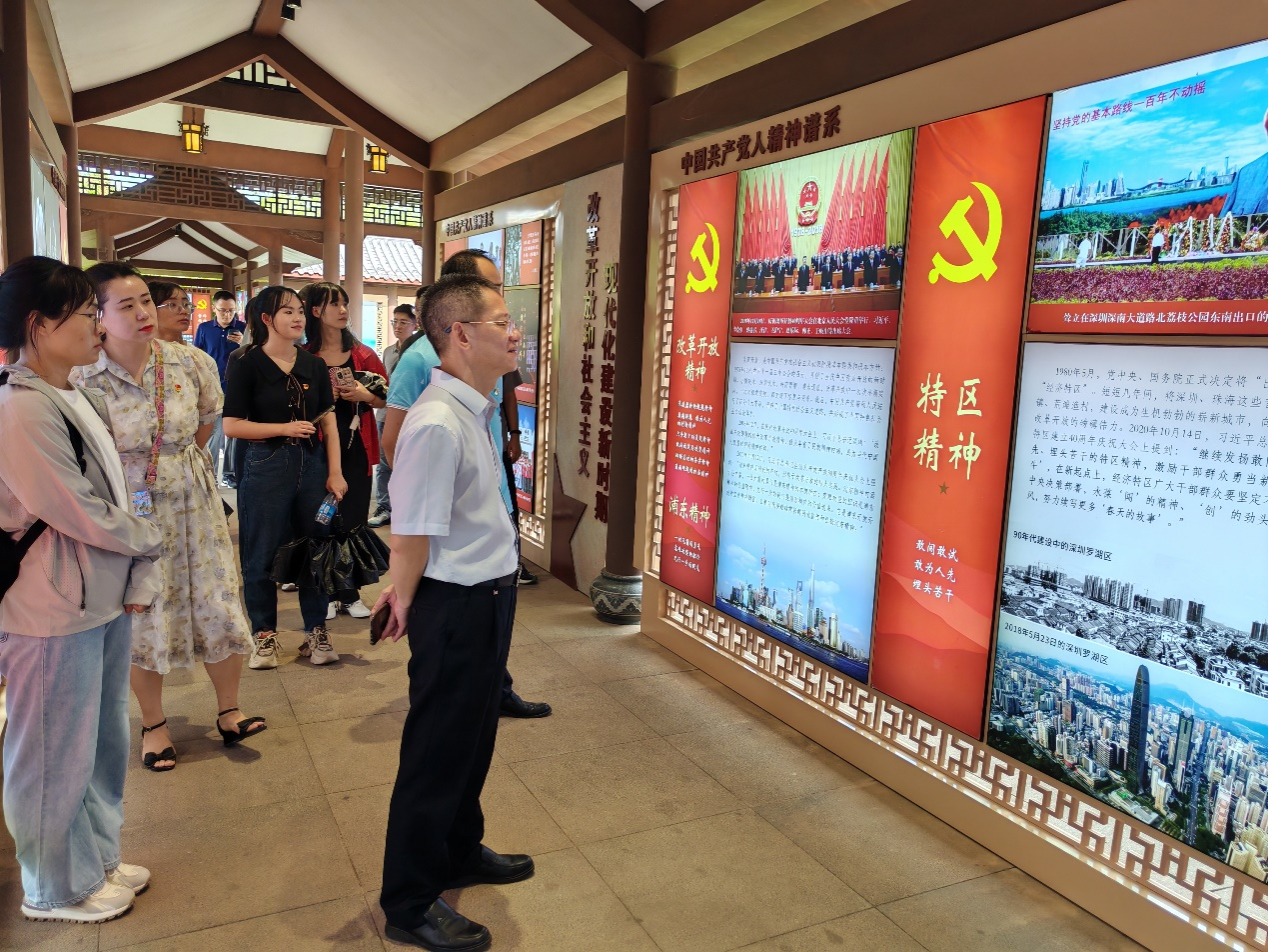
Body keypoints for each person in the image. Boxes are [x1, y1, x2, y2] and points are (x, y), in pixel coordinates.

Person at [375, 273, 535, 951]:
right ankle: (410, 899)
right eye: (502, 321)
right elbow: (411, 531)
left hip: (489, 596)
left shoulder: (471, 407)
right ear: (461, 334)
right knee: (437, 754)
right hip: (456, 605)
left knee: (472, 741)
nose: (515, 332)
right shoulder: (437, 422)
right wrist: (403, 599)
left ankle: (459, 849)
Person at [0, 256, 163, 923]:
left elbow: (113, 491)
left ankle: (94, 858)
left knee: (98, 743)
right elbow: (76, 508)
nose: (98, 325)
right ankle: (53, 886)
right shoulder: (20, 407)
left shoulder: (72, 392)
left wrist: (136, 559)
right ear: (37, 325)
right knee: (49, 750)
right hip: (50, 603)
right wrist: (149, 540)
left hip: (96, 594)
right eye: (86, 314)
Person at [74, 262, 265, 772]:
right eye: (126, 305)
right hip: (125, 504)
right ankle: (154, 724)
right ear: (98, 316)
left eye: (145, 301)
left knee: (217, 599)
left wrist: (171, 463)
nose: (143, 312)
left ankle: (230, 710)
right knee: (143, 613)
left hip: (193, 499)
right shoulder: (82, 375)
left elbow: (206, 423)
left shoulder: (191, 361)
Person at [382, 249, 549, 720]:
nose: (510, 325)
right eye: (493, 291)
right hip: (454, 570)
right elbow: (398, 448)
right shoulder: (425, 366)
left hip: (485, 522)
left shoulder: (480, 374)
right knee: (447, 720)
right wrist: (428, 513)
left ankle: (496, 687)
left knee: (473, 706)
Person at [222, 287, 347, 669]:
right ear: (266, 319)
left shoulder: (313, 364)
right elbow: (232, 425)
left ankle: (316, 632)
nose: (297, 318)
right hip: (264, 465)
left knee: (315, 548)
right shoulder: (245, 362)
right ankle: (264, 636)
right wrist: (283, 428)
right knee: (259, 553)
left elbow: (329, 422)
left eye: (299, 311)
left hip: (312, 466)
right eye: (287, 311)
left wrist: (336, 472)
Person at [300, 282, 388, 620]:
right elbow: (294, 405)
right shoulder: (304, 356)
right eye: (334, 304)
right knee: (320, 519)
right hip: (316, 450)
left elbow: (387, 397)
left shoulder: (364, 354)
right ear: (315, 311)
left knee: (352, 519)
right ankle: (324, 591)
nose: (342, 310)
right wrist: (325, 398)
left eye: (345, 303)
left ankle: (350, 593)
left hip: (356, 447)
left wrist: (364, 396)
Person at [369, 302, 419, 529]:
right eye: (395, 322)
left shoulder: (419, 351)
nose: (397, 326)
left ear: (415, 325)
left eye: (403, 322)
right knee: (384, 463)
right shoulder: (389, 351)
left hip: (411, 415)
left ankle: (406, 507)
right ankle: (384, 507)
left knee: (409, 462)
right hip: (386, 413)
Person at [194, 291, 245, 487]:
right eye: (223, 310)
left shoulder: (243, 328)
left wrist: (244, 343)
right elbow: (197, 356)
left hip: (236, 389)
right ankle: (211, 475)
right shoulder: (205, 328)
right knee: (213, 434)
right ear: (214, 309)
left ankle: (230, 475)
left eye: (231, 311)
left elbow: (255, 354)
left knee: (234, 434)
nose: (227, 315)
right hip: (211, 389)